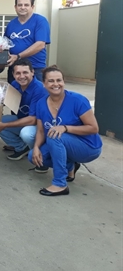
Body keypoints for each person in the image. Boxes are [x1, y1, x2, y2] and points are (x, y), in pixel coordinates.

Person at [29, 66, 102, 196]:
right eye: (51, 81)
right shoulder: (41, 103)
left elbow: (93, 128)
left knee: (54, 136)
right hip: (64, 145)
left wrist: (65, 128)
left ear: (64, 82)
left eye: (59, 80)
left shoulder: (77, 100)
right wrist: (36, 147)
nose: (56, 84)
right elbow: (40, 131)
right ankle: (70, 166)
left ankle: (60, 184)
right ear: (44, 84)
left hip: (87, 147)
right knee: (33, 157)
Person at [0, 58, 47, 163]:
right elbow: (6, 101)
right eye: (18, 73)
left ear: (32, 72)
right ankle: (22, 147)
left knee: (26, 133)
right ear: (13, 74)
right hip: (24, 118)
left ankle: (42, 155)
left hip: (40, 126)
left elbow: (32, 120)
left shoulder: (39, 90)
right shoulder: (15, 84)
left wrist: (5, 125)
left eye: (25, 72)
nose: (22, 76)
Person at [5, 0, 51, 83]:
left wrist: (18, 56)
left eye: (26, 5)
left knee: (36, 96)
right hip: (15, 69)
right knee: (14, 96)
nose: (22, 7)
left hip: (35, 69)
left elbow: (40, 44)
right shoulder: (11, 24)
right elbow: (6, 44)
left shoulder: (40, 21)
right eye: (20, 5)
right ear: (15, 7)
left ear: (32, 7)